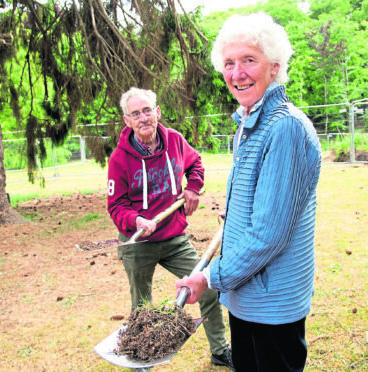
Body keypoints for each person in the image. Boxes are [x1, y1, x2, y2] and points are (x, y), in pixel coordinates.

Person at [175, 12, 321, 372]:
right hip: (246, 297)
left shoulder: (284, 128)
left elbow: (269, 235)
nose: (237, 73)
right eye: (228, 63)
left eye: (248, 60)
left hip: (272, 303)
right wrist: (236, 214)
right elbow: (262, 201)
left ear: (274, 67)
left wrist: (208, 278)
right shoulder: (249, 121)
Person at [107, 87, 233, 369]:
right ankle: (142, 361)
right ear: (127, 121)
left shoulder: (174, 140)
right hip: (138, 241)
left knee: (209, 290)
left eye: (147, 110)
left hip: (174, 237)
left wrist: (194, 189)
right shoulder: (119, 159)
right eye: (135, 114)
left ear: (157, 112)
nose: (143, 118)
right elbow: (116, 206)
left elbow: (195, 163)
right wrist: (135, 221)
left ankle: (220, 351)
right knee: (142, 307)